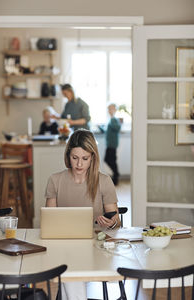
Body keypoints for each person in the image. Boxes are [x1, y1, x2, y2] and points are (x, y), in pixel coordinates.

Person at [45, 129, 120, 300]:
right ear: (68, 156)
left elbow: (117, 224)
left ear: (93, 157)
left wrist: (110, 223)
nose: (79, 164)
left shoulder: (104, 181)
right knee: (70, 264)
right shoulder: (55, 180)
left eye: (85, 159)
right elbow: (49, 221)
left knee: (70, 270)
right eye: (74, 158)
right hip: (64, 246)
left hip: (97, 248)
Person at [104, 103, 121, 185]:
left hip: (112, 144)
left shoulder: (113, 119)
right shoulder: (111, 119)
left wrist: (112, 119)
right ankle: (115, 175)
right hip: (110, 144)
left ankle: (116, 175)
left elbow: (117, 127)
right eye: (108, 109)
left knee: (110, 160)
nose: (109, 111)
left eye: (111, 109)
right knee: (110, 160)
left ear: (115, 110)